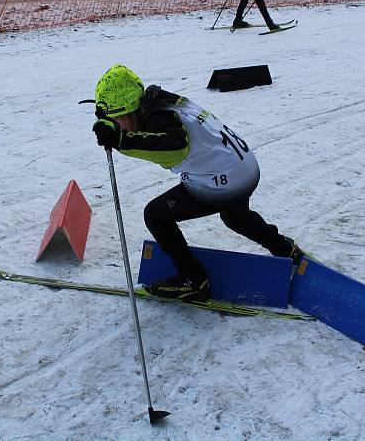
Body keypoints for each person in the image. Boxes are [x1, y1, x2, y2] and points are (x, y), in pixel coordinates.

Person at [91, 65, 305, 301]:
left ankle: (193, 279)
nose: (116, 125)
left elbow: (175, 146)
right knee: (234, 215)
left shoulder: (159, 118)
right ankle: (284, 248)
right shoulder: (159, 101)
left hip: (224, 179)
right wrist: (114, 128)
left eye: (115, 119)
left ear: (129, 109)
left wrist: (121, 140)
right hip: (244, 166)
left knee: (156, 215)